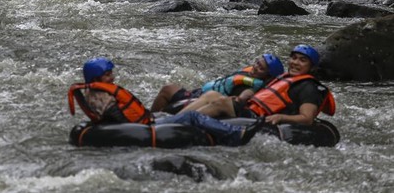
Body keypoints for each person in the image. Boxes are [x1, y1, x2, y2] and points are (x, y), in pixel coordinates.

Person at [68, 57, 265, 146]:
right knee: (193, 116)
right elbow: (120, 121)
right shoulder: (99, 96)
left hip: (144, 121)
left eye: (111, 74)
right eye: (107, 75)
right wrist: (144, 122)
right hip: (142, 126)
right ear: (96, 78)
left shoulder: (96, 92)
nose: (111, 78)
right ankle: (234, 135)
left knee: (190, 114)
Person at [178, 45, 336, 126]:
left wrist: (281, 117)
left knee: (222, 103)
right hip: (253, 110)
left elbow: (307, 119)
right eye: (294, 58)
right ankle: (174, 120)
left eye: (302, 60)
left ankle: (181, 123)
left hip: (262, 120)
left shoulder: (309, 87)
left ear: (312, 67)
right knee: (212, 95)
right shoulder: (283, 78)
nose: (295, 63)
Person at [149, 53, 284, 113]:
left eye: (260, 68)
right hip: (199, 93)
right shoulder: (249, 73)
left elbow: (246, 96)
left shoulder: (253, 86)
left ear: (267, 76)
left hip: (202, 101)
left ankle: (151, 121)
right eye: (257, 63)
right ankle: (150, 116)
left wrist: (240, 100)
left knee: (168, 93)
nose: (255, 67)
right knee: (169, 88)